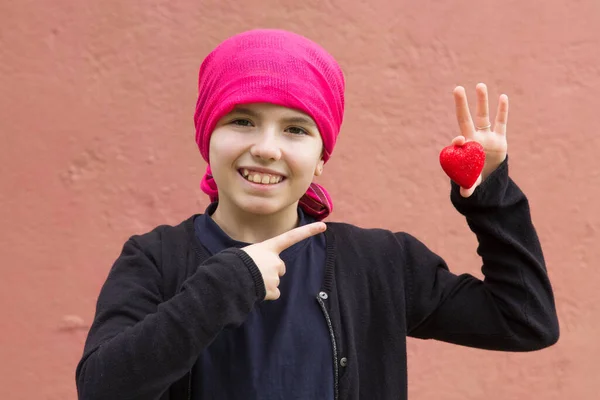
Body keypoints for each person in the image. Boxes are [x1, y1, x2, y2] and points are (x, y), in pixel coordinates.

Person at [75, 29, 559, 400]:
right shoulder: (155, 259)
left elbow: (525, 321)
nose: (266, 148)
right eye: (242, 120)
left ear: (322, 155)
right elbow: (102, 387)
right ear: (207, 136)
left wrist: (490, 193)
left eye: (295, 129)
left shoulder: (380, 263)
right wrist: (226, 283)